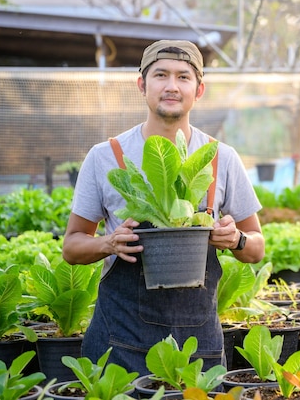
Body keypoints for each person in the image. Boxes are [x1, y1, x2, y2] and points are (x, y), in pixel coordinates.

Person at [62, 39, 265, 375]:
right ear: (142, 84)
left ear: (199, 90)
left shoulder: (220, 158)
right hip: (120, 340)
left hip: (197, 344)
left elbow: (256, 246)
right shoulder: (105, 156)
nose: (172, 86)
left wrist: (237, 240)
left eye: (183, 77)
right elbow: (72, 246)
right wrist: (107, 243)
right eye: (161, 75)